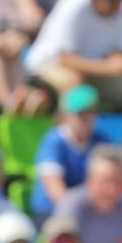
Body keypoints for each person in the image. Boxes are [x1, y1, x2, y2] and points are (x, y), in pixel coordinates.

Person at [22, 0, 122, 106]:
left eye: (118, 1)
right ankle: (68, 125)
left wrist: (121, 62)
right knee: (74, 84)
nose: (113, 6)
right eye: (109, 0)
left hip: (95, 73)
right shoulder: (73, 4)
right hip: (46, 67)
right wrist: (109, 67)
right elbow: (65, 59)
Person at [32, 85, 107, 218]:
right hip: (52, 214)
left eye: (91, 113)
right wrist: (80, 215)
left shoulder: (101, 141)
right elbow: (55, 189)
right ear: (66, 115)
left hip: (89, 214)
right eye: (81, 114)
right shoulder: (53, 142)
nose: (87, 119)